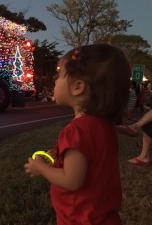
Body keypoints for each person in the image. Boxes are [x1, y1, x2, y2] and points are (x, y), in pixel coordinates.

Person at [24, 44, 131, 225]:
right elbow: (90, 161)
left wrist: (41, 168)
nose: (55, 80)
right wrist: (61, 158)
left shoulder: (75, 131)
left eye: (59, 75)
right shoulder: (104, 126)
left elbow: (72, 180)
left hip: (79, 218)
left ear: (78, 87)